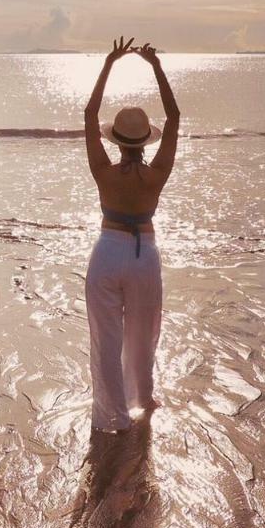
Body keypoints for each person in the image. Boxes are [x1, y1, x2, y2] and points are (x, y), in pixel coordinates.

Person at [82, 36, 180, 432]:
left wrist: (109, 63)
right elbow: (174, 117)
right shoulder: (157, 173)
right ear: (145, 141)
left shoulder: (104, 171)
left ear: (117, 141)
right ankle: (141, 399)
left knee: (106, 339)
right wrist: (155, 66)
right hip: (143, 256)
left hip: (107, 252)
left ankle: (115, 415)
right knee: (142, 332)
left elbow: (90, 113)